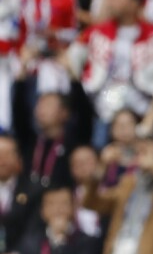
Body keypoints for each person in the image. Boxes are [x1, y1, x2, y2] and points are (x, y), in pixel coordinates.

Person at [68, 0, 153, 149]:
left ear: (135, 3)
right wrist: (83, 79)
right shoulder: (97, 32)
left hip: (144, 104)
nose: (111, 1)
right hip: (104, 104)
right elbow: (71, 57)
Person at [11, 54, 94, 189]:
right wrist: (22, 71)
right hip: (30, 207)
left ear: (64, 113)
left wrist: (72, 74)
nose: (41, 109)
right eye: (40, 104)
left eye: (48, 105)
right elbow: (19, 112)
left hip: (61, 205)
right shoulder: (29, 141)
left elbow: (85, 112)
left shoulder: (74, 142)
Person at [16, 184, 101, 254]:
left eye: (64, 203)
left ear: (74, 207)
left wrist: (60, 242)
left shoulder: (87, 243)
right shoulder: (30, 242)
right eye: (51, 204)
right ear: (42, 211)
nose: (58, 209)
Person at [0, 135, 40, 254]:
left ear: (18, 158)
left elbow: (34, 230)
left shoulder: (33, 190)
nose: (2, 159)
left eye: (8, 154)